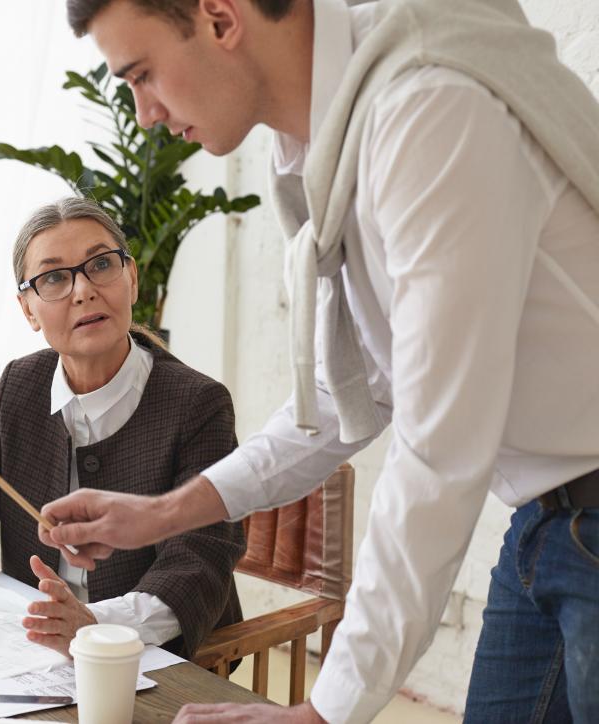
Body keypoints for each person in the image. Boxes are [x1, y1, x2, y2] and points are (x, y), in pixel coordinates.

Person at [40, 0, 599, 722]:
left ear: (220, 17)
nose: (145, 114)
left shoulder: (429, 108)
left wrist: (322, 712)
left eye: (142, 74)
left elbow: (439, 446)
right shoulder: (326, 141)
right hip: (547, 524)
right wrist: (163, 514)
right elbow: (355, 389)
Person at [0, 197, 245, 660]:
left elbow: (200, 560)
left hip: (154, 659)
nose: (83, 290)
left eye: (101, 264)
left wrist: (97, 625)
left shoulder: (198, 403)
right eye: (54, 278)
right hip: (35, 654)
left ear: (131, 278)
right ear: (28, 310)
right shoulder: (21, 384)